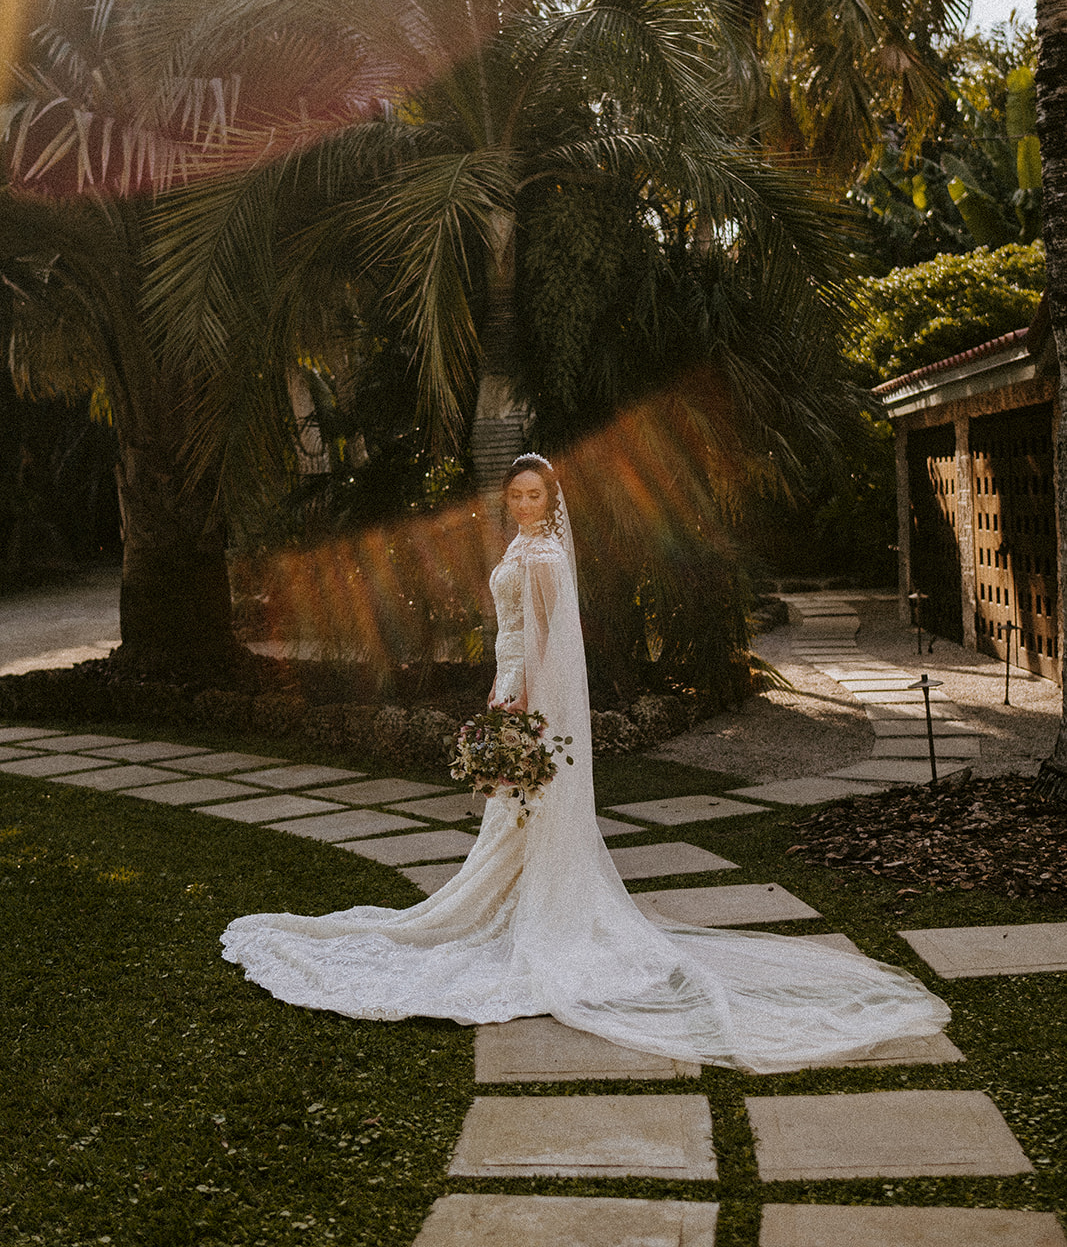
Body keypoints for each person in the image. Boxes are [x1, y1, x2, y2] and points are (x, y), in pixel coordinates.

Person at [221, 454, 950, 1071]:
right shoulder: (527, 548)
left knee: (520, 811)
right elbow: (514, 633)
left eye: (532, 495)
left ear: (552, 501)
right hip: (511, 686)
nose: (521, 505)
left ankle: (536, 917)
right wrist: (498, 685)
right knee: (513, 817)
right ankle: (512, 906)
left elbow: (543, 643)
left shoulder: (539, 554)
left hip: (527, 697)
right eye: (513, 496)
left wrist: (520, 709)